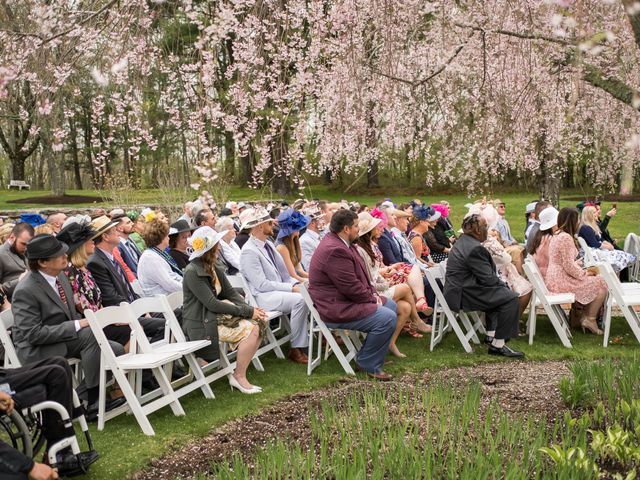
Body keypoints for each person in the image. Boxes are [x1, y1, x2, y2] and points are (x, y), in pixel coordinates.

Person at [11, 234, 126, 416]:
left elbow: (70, 315)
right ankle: (93, 403)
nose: (66, 255)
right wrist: (77, 324)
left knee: (116, 349)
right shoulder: (26, 290)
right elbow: (33, 334)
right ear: (42, 262)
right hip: (38, 348)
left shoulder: (61, 277)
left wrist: (79, 321)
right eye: (59, 254)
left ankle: (79, 398)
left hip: (63, 339)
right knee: (89, 335)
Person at [308, 209, 396, 380]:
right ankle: (368, 363)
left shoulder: (341, 243)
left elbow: (357, 280)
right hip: (336, 307)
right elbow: (351, 287)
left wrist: (373, 295)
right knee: (387, 317)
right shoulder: (335, 249)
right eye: (356, 226)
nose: (359, 229)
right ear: (346, 229)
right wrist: (372, 299)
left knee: (391, 305)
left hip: (344, 300)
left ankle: (374, 356)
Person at [182, 227, 268, 393]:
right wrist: (247, 312)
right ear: (209, 249)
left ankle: (239, 374)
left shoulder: (213, 267)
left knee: (260, 321)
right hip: (201, 323)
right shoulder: (192, 272)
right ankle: (239, 376)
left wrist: (251, 309)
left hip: (213, 317)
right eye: (216, 245)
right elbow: (212, 304)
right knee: (252, 329)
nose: (219, 248)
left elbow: (230, 293)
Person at [444, 214, 524, 358]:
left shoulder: (463, 241)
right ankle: (497, 345)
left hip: (458, 289)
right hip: (463, 295)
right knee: (511, 298)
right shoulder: (475, 248)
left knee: (500, 294)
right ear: (477, 231)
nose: (488, 230)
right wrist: (503, 286)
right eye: (485, 227)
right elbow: (488, 279)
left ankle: (490, 335)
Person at [239, 208, 310, 364]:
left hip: (275, 291)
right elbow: (262, 285)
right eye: (270, 222)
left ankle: (323, 335)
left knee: (309, 291)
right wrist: (292, 288)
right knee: (300, 300)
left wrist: (298, 283)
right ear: (259, 226)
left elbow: (284, 274)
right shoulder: (249, 252)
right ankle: (296, 347)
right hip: (262, 298)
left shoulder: (268, 244)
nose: (274, 224)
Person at [355, 213, 425, 357]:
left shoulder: (369, 246)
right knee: (405, 287)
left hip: (379, 285)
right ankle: (417, 320)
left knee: (405, 307)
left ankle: (390, 343)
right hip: (373, 292)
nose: (379, 228)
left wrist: (386, 276)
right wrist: (387, 282)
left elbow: (375, 273)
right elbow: (370, 280)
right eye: (376, 226)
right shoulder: (361, 251)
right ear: (369, 231)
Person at [545, 207, 609, 334]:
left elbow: (564, 262)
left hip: (555, 277)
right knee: (602, 283)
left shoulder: (557, 235)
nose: (579, 222)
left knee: (596, 280)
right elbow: (568, 266)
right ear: (572, 221)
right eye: (578, 219)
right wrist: (584, 273)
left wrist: (578, 265)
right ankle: (590, 319)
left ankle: (583, 317)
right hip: (560, 280)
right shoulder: (565, 238)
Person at [476, 204, 532, 318]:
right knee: (526, 289)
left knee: (523, 284)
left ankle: (510, 320)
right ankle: (512, 320)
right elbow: (506, 259)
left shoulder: (476, 240)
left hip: (488, 275)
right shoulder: (488, 242)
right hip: (493, 279)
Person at [579, 205, 636, 274]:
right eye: (594, 212)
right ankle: (617, 279)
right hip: (592, 252)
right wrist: (608, 246)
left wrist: (609, 244)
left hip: (597, 250)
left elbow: (600, 239)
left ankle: (618, 279)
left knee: (621, 254)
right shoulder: (586, 228)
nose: (597, 213)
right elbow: (595, 243)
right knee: (619, 256)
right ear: (589, 215)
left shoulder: (592, 226)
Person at [137, 218, 183, 296]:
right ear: (161, 238)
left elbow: (173, 275)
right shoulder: (150, 258)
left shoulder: (156, 253)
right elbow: (169, 284)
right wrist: (189, 288)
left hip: (170, 298)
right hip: (163, 302)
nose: (169, 238)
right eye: (167, 236)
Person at [0, 222, 34, 300]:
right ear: (11, 237)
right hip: (13, 304)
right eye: (23, 244)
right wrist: (20, 280)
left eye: (29, 245)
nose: (26, 248)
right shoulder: (1, 254)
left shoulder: (27, 251)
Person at [275, 208, 310, 283]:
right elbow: (293, 276)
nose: (299, 228)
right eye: (296, 227)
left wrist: (315, 278)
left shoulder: (294, 241)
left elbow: (299, 270)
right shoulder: (281, 247)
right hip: (289, 283)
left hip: (297, 280)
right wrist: (312, 282)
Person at [530, 206, 558, 279]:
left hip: (545, 275)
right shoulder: (549, 240)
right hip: (550, 278)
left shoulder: (541, 236)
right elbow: (556, 262)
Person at [299, 206, 324, 271]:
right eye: (320, 219)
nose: (323, 221)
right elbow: (309, 267)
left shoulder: (319, 236)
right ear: (312, 223)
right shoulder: (305, 241)